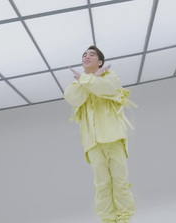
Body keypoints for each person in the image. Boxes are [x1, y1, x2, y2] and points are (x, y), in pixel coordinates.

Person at [64, 46, 136, 223]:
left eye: (92, 54)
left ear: (100, 62)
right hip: (93, 142)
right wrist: (91, 78)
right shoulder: (77, 84)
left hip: (114, 137)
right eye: (84, 55)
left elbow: (107, 87)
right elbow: (72, 97)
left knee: (120, 180)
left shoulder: (110, 77)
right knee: (102, 184)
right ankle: (108, 220)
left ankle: (125, 218)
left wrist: (89, 79)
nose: (86, 56)